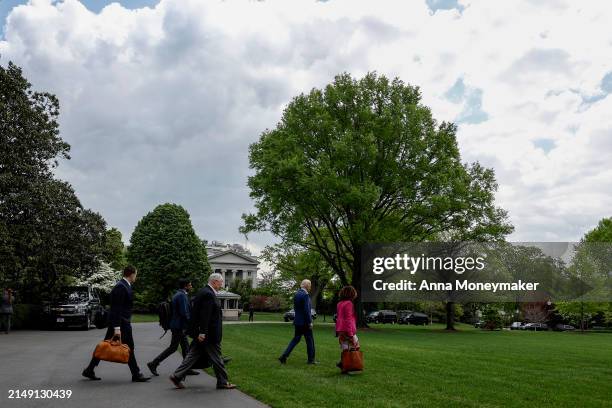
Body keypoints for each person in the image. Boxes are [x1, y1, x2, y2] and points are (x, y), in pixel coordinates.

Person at [82, 265, 151, 382]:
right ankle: (136, 374)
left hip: (121, 323)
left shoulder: (125, 285)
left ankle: (89, 369)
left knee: (104, 347)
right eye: (136, 274)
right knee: (129, 347)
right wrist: (117, 328)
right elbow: (116, 309)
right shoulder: (121, 287)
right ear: (131, 274)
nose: (136, 277)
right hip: (121, 324)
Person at [169, 273, 236, 390]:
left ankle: (176, 376)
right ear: (214, 281)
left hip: (203, 333)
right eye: (220, 282)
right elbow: (205, 315)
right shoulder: (208, 294)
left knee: (192, 355)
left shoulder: (204, 292)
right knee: (217, 358)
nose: (221, 285)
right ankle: (223, 382)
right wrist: (202, 332)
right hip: (208, 334)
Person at [147, 279, 199, 377]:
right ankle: (153, 363)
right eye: (190, 285)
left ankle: (187, 368)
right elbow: (184, 313)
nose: (191, 287)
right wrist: (192, 323)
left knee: (186, 348)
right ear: (185, 286)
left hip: (179, 326)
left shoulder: (179, 294)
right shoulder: (181, 296)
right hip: (179, 326)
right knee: (173, 348)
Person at [278, 279, 317, 365]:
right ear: (307, 286)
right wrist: (310, 322)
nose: (310, 287)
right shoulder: (305, 295)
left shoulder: (297, 294)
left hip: (298, 321)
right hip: (305, 322)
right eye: (310, 285)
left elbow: (297, 309)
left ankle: (284, 356)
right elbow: (307, 310)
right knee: (310, 340)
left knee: (295, 339)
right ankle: (311, 359)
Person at [335, 285, 359, 371]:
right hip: (347, 330)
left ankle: (344, 365)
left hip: (341, 329)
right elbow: (348, 319)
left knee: (345, 347)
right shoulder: (349, 303)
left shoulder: (339, 304)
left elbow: (338, 318)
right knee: (355, 345)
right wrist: (350, 334)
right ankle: (346, 365)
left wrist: (337, 330)